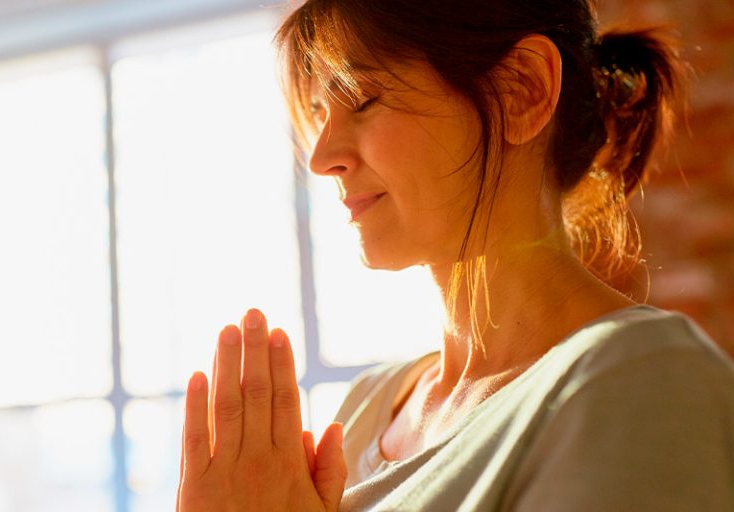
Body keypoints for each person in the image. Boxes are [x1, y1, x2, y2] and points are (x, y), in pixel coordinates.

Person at [176, 1, 734, 510]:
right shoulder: (367, 408)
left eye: (364, 99)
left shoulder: (642, 380)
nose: (322, 157)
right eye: (321, 112)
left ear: (523, 90)